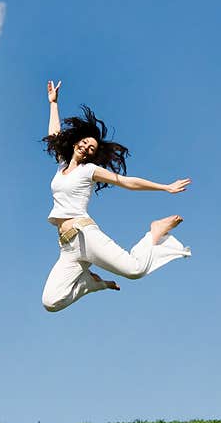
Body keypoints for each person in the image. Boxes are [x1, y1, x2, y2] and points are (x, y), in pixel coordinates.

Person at [40, 79, 192, 313]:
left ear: (92, 156)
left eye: (91, 148)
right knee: (50, 302)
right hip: (67, 246)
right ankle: (90, 283)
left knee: (135, 270)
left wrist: (165, 187)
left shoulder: (89, 171)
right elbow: (54, 135)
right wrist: (53, 104)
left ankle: (154, 233)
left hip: (85, 235)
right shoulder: (61, 167)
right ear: (75, 143)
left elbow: (126, 182)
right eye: (84, 143)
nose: (86, 148)